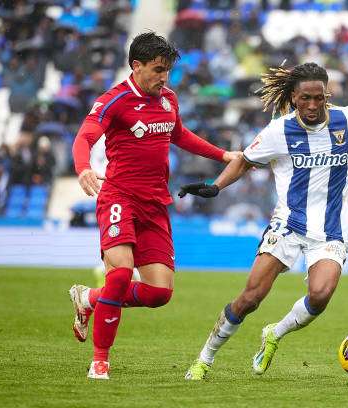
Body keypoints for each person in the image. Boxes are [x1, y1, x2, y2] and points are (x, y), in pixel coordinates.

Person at [179, 62, 348, 380]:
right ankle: (204, 359)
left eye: (320, 98)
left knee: (320, 295)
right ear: (293, 96)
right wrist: (215, 187)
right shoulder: (278, 131)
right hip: (288, 224)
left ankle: (275, 333)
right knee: (251, 298)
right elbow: (245, 161)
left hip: (331, 229)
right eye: (306, 98)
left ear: (326, 95)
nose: (313, 105)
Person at [67, 31, 239, 380]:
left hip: (154, 204)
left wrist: (222, 154)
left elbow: (178, 134)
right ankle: (101, 360)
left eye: (168, 71)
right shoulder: (114, 100)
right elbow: (85, 136)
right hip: (118, 197)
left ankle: (89, 299)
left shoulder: (169, 99)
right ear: (137, 66)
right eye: (159, 69)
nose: (164, 77)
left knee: (159, 292)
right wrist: (84, 167)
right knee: (119, 274)